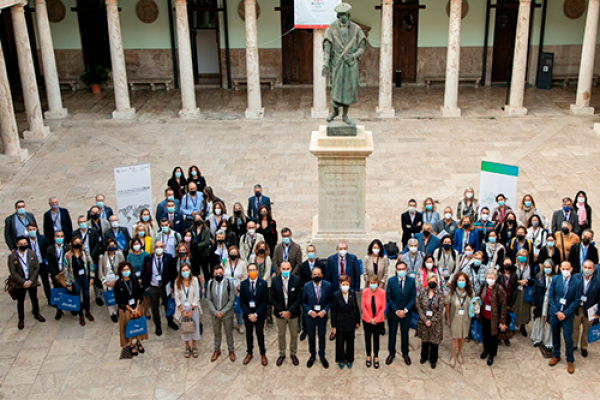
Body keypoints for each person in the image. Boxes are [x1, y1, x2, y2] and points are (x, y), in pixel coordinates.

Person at [322, 2, 366, 124]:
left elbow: (362, 47)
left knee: (348, 91)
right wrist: (325, 63)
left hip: (350, 64)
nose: (343, 17)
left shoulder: (356, 29)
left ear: (349, 14)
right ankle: (335, 111)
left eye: (345, 14)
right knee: (334, 90)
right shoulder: (331, 29)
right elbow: (326, 48)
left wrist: (353, 55)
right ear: (337, 16)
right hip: (336, 64)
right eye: (340, 15)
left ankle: (345, 116)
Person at [548, 261, 582, 374]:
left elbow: (576, 300)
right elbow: (551, 296)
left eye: (567, 269)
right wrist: (557, 312)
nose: (565, 271)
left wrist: (565, 313)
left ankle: (570, 360)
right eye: (563, 268)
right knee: (555, 335)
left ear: (571, 269)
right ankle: (556, 355)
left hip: (567, 315)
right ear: (560, 268)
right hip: (555, 313)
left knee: (568, 338)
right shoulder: (555, 279)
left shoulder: (576, 282)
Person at [141, 241, 179, 335]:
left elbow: (172, 273)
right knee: (155, 307)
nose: (159, 248)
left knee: (168, 305)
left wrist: (171, 286)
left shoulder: (168, 257)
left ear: (164, 248)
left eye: (160, 246)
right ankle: (158, 325)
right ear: (154, 248)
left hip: (165, 286)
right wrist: (146, 287)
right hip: (153, 287)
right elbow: (143, 273)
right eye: (157, 246)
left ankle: (170, 321)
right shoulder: (148, 259)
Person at [8, 236, 46, 329]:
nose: (23, 245)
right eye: (21, 244)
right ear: (17, 245)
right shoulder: (12, 257)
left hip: (31, 282)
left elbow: (36, 267)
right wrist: (23, 282)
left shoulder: (32, 254)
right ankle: (21, 319)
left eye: (25, 244)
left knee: (34, 298)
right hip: (20, 283)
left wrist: (31, 280)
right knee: (20, 302)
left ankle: (36, 313)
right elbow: (13, 272)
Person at [271, 261, 302, 366]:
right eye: (283, 269)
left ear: (291, 269)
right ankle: (282, 353)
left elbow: (299, 298)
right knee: (281, 334)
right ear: (280, 269)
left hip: (293, 313)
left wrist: (289, 311)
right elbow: (273, 298)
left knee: (294, 334)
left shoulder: (296, 280)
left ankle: (293, 353)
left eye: (287, 269)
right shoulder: (275, 280)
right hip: (280, 314)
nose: (285, 271)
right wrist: (282, 312)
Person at [385, 261, 416, 366]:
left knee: (405, 333)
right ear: (396, 270)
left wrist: (405, 310)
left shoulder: (411, 281)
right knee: (392, 334)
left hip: (406, 313)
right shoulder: (391, 281)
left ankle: (405, 353)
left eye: (403, 269)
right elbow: (389, 296)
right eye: (399, 269)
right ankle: (391, 353)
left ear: (407, 270)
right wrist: (396, 310)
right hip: (394, 313)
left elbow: (413, 298)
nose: (401, 271)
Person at [114, 262, 147, 356]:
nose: (126, 272)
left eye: (127, 269)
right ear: (120, 271)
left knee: (138, 325)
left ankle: (139, 342)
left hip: (137, 306)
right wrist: (130, 309)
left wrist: (136, 307)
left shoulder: (134, 279)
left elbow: (138, 293)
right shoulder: (118, 283)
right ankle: (131, 344)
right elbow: (119, 299)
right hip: (126, 309)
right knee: (128, 327)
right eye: (124, 270)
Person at [240, 263, 269, 366]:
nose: (252, 271)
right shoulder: (243, 284)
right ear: (247, 272)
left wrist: (256, 314)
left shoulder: (263, 283)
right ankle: (249, 353)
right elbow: (242, 301)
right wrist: (249, 314)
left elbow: (265, 301)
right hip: (248, 315)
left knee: (260, 334)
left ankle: (263, 353)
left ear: (257, 271)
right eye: (250, 270)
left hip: (259, 314)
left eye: (254, 269)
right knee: (249, 334)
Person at [302, 266, 331, 368]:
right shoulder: (306, 286)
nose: (317, 276)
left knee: (322, 336)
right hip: (311, 316)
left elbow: (329, 301)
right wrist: (309, 311)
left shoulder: (327, 285)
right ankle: (312, 355)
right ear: (311, 276)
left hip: (322, 316)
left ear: (322, 275)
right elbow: (303, 301)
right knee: (311, 336)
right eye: (315, 274)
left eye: (319, 274)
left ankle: (322, 355)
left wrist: (324, 310)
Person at [445, 272, 475, 367]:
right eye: (459, 280)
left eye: (463, 280)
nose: (461, 282)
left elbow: (473, 305)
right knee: (455, 338)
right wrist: (448, 318)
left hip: (465, 319)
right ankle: (453, 356)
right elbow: (447, 305)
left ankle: (459, 353)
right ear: (456, 281)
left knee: (462, 338)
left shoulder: (470, 293)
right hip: (454, 318)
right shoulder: (452, 292)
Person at [479, 268, 508, 366]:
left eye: (492, 278)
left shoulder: (499, 290)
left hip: (494, 318)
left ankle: (491, 354)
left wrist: (502, 320)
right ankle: (485, 350)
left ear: (496, 278)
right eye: (488, 277)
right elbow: (480, 298)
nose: (490, 279)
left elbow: (503, 306)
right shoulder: (484, 286)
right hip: (484, 316)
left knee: (493, 337)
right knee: (485, 334)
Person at [207, 265, 236, 362]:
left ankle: (231, 350)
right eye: (216, 273)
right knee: (216, 332)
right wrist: (215, 312)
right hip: (215, 314)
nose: (218, 275)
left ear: (223, 273)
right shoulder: (210, 283)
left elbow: (231, 299)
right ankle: (216, 349)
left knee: (229, 332)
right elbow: (209, 299)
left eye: (220, 273)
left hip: (226, 314)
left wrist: (222, 312)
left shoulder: (229, 283)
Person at [330, 274, 360, 369]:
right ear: (340, 284)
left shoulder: (351, 293)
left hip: (350, 322)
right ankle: (341, 360)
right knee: (340, 343)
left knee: (350, 342)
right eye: (343, 284)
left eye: (347, 284)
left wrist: (357, 321)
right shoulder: (336, 295)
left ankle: (349, 359)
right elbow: (333, 311)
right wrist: (333, 326)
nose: (345, 286)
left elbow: (356, 308)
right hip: (340, 323)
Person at [416, 273, 445, 369]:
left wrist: (432, 321)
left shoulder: (440, 293)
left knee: (434, 341)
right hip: (424, 320)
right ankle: (424, 356)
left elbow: (440, 310)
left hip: (435, 322)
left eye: (434, 281)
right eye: (430, 280)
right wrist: (425, 319)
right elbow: (419, 306)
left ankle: (433, 359)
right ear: (427, 281)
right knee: (424, 339)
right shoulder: (423, 291)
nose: (432, 282)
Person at [572, 260, 600, 358]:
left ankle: (584, 347)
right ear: (582, 267)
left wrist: (598, 312)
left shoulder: (598, 281)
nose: (587, 270)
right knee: (575, 328)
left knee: (586, 329)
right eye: (585, 267)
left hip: (590, 309)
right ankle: (574, 344)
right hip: (578, 308)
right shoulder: (576, 277)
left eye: (589, 268)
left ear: (593, 269)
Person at [297, 245, 326, 341]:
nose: (311, 253)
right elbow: (301, 281)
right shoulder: (302, 266)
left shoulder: (320, 264)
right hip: (308, 292)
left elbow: (324, 277)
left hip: (318, 291)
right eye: (309, 251)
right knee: (306, 312)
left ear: (315, 252)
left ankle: (318, 330)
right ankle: (305, 330)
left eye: (312, 251)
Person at [65, 236, 95, 326]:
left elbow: (91, 265)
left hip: (84, 277)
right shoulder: (68, 255)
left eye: (79, 242)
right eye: (75, 242)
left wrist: (92, 277)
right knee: (77, 296)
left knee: (86, 295)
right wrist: (68, 283)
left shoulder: (85, 254)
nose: (77, 244)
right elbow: (66, 269)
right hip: (75, 278)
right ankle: (81, 314)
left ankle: (87, 311)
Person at [174, 263, 202, 358]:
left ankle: (194, 346)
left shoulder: (194, 280)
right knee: (185, 328)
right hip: (182, 309)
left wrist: (191, 310)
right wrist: (182, 311)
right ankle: (187, 347)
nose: (185, 272)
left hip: (192, 307)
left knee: (194, 328)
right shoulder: (177, 281)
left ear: (190, 270)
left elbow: (196, 296)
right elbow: (176, 297)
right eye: (183, 270)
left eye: (187, 270)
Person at [531, 259, 556, 353]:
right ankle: (537, 338)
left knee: (549, 322)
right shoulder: (539, 277)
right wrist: (533, 303)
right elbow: (534, 291)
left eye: (549, 267)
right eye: (545, 267)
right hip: (540, 301)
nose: (547, 269)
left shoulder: (556, 278)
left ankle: (549, 342)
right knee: (539, 320)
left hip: (550, 303)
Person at [98, 238, 125, 322]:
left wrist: (117, 280)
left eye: (113, 245)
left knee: (117, 296)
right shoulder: (102, 257)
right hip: (106, 280)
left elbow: (123, 268)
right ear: (106, 247)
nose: (111, 247)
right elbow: (100, 271)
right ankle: (112, 313)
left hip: (116, 279)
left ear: (116, 246)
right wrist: (104, 281)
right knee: (109, 296)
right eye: (109, 245)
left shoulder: (119, 254)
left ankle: (117, 310)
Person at [361, 275, 385, 369]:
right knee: (367, 338)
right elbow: (363, 307)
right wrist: (370, 318)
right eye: (371, 283)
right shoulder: (365, 292)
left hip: (378, 320)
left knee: (376, 338)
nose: (373, 284)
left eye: (374, 283)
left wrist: (376, 319)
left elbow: (383, 307)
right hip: (367, 320)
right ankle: (368, 355)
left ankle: (376, 356)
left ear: (377, 283)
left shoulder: (382, 292)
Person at [25, 222, 51, 305]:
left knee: (46, 282)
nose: (32, 231)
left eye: (33, 229)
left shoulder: (42, 238)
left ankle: (50, 300)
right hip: (32, 267)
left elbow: (48, 249)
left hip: (42, 263)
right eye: (30, 230)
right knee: (33, 286)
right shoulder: (25, 241)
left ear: (36, 229)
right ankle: (35, 305)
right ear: (27, 231)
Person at [224, 246, 247, 333]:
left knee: (238, 308)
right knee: (228, 308)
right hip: (227, 289)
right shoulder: (225, 262)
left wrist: (239, 287)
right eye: (231, 252)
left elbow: (244, 276)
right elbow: (222, 273)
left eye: (235, 252)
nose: (233, 254)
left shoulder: (242, 263)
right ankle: (230, 324)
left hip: (238, 289)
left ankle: (240, 323)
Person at [512, 249, 534, 337]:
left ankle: (522, 325)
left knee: (524, 308)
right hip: (516, 289)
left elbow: (533, 279)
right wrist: (518, 282)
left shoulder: (530, 267)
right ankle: (513, 325)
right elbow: (512, 279)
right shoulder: (514, 266)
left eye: (524, 255)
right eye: (521, 255)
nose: (522, 257)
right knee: (515, 307)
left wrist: (527, 281)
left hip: (526, 290)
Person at [126, 237, 150, 318]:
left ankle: (146, 311)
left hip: (144, 278)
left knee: (146, 296)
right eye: (134, 244)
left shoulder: (145, 254)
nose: (136, 246)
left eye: (138, 244)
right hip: (133, 279)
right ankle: (138, 311)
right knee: (136, 297)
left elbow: (148, 267)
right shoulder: (129, 256)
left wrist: (142, 280)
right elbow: (128, 268)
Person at [46, 230, 67, 320]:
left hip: (66, 274)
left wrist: (64, 273)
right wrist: (56, 275)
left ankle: (70, 307)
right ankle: (59, 310)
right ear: (54, 238)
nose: (59, 238)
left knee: (68, 290)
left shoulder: (68, 247)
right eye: (58, 236)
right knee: (58, 292)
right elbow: (50, 263)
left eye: (61, 236)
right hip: (56, 275)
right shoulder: (50, 249)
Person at [497, 258, 518, 346]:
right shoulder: (499, 275)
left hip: (509, 300)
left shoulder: (514, 275)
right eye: (506, 263)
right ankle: (499, 337)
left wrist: (510, 304)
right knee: (499, 318)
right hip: (500, 301)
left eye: (509, 263)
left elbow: (515, 291)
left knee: (507, 319)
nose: (507, 265)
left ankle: (506, 337)